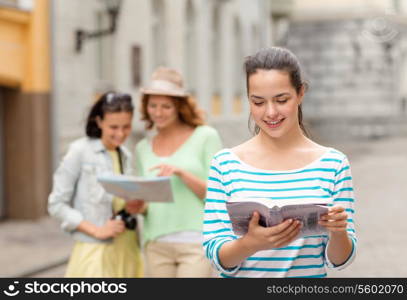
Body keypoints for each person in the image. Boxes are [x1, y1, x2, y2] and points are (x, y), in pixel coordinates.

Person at [203, 47, 356, 278]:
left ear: (300, 93)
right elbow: (215, 254)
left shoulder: (334, 164)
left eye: (281, 100)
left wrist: (339, 232)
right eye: (258, 102)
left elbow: (339, 260)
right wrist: (250, 244)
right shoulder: (225, 164)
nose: (271, 112)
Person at [126, 67, 222, 277]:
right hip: (156, 243)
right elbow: (149, 202)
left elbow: (217, 195)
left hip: (196, 241)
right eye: (153, 105)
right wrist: (139, 207)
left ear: (179, 106)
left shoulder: (206, 136)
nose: (158, 112)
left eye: (166, 106)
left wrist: (182, 174)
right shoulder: (143, 148)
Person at [48, 92, 143, 277]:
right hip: (95, 252)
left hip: (127, 249)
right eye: (113, 127)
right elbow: (56, 205)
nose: (120, 134)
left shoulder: (125, 155)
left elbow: (119, 202)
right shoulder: (79, 151)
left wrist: (132, 207)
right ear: (99, 121)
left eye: (126, 127)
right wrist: (98, 231)